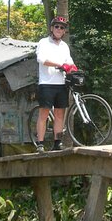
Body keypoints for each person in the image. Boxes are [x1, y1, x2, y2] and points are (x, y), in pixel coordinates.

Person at [35, 16, 77, 152]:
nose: (59, 29)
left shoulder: (64, 46)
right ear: (52, 28)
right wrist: (59, 64)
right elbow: (41, 59)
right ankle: (40, 143)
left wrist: (74, 68)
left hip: (61, 83)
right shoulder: (43, 42)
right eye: (57, 26)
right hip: (46, 83)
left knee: (59, 114)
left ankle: (57, 142)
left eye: (62, 27)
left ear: (64, 31)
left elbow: (69, 61)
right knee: (44, 114)